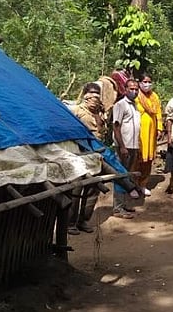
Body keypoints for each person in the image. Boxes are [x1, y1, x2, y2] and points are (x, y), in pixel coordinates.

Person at [65, 82, 108, 233]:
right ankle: (70, 223)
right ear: (85, 95)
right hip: (79, 154)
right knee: (76, 189)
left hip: (96, 154)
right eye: (92, 93)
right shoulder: (76, 111)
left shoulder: (101, 113)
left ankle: (83, 220)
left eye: (97, 94)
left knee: (93, 189)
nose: (95, 97)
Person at [111, 79, 144, 219]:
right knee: (120, 176)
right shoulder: (120, 105)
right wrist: (122, 146)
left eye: (136, 89)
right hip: (123, 147)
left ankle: (124, 204)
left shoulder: (135, 105)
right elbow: (116, 126)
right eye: (131, 89)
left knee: (127, 176)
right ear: (125, 89)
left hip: (133, 146)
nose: (134, 91)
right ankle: (118, 208)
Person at [134, 72, 163, 197]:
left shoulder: (154, 96)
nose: (147, 84)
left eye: (149, 82)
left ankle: (143, 184)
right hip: (138, 133)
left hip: (151, 133)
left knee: (148, 160)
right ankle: (133, 185)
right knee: (137, 159)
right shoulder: (136, 96)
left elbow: (158, 113)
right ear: (139, 83)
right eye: (144, 82)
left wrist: (159, 128)